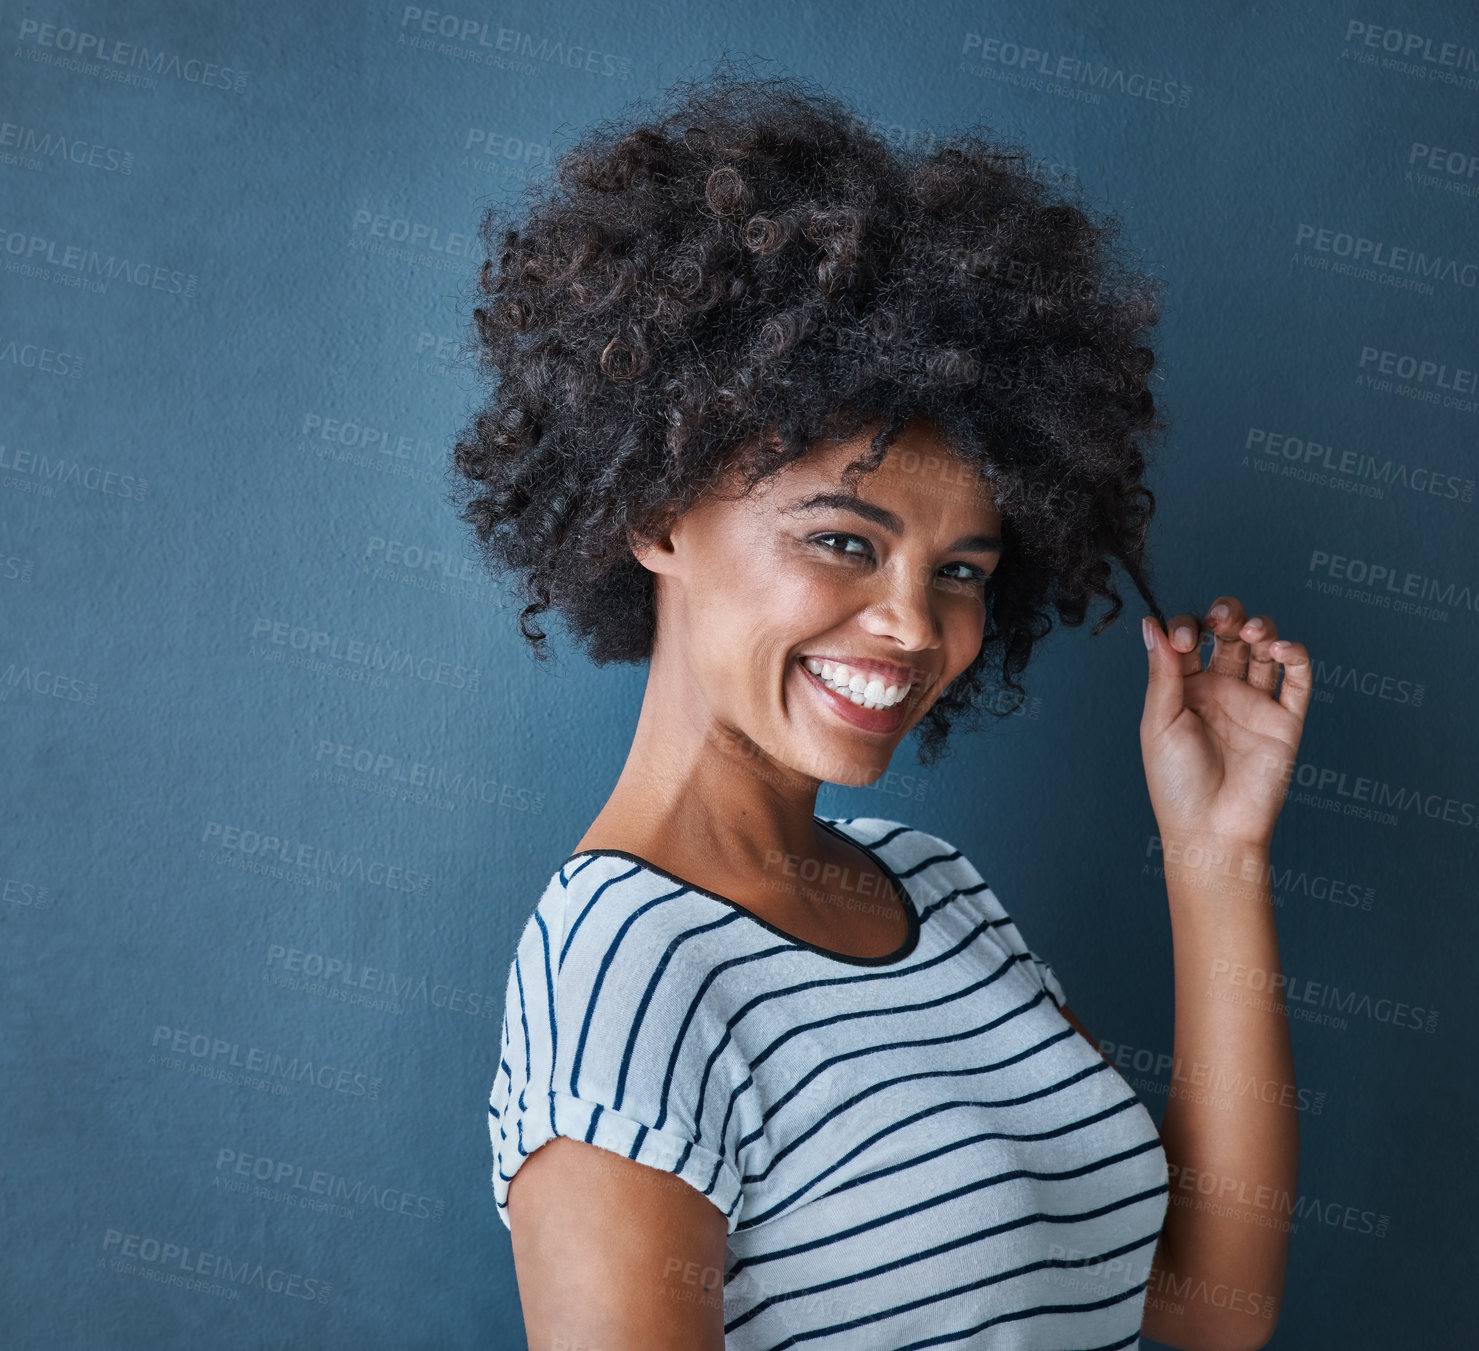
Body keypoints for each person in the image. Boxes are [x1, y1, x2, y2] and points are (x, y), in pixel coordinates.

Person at [454, 60, 1309, 1351]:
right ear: (653, 512)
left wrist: (1216, 852)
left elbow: (1210, 1309)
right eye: (846, 542)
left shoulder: (940, 894)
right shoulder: (625, 976)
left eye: (961, 570)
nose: (917, 627)